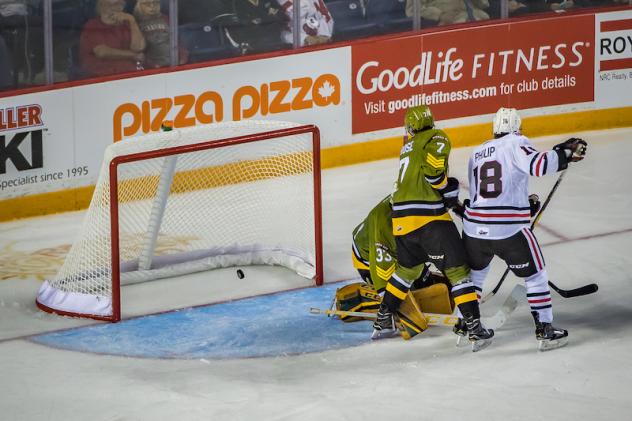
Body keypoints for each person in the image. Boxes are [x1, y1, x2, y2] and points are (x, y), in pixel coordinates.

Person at [461, 107, 587, 351]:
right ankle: (545, 328)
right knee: (536, 274)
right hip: (508, 231)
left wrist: (521, 205)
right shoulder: (516, 142)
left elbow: (484, 195)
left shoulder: (476, 153)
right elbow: (537, 166)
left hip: (474, 230)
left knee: (475, 276)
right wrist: (565, 154)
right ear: (517, 127)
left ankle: (465, 323)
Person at [372, 105, 494, 350]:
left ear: (411, 126)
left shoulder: (407, 147)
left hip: (401, 221)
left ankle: (383, 318)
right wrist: (448, 186)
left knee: (406, 272)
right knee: (459, 272)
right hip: (429, 219)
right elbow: (433, 173)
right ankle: (474, 327)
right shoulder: (437, 137)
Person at [346, 194, 454, 338]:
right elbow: (381, 273)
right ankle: (370, 302)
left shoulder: (410, 199)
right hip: (367, 258)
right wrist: (388, 308)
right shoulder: (382, 225)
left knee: (426, 283)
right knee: (400, 293)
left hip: (399, 246)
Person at [79, 0, 146, 77]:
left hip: (131, 73)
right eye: (108, 4)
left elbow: (139, 47)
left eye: (118, 4)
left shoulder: (127, 23)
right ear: (100, 7)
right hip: (101, 76)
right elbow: (102, 52)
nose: (114, 8)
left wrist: (132, 21)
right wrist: (133, 55)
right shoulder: (92, 25)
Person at [134, 0, 188, 68]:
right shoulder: (135, 22)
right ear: (139, 5)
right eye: (146, 4)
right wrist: (153, 65)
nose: (152, 6)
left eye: (155, 2)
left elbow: (177, 41)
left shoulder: (166, 18)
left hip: (174, 63)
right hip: (153, 67)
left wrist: (183, 58)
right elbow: (138, 51)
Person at [405, 0, 490, 26]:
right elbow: (412, 9)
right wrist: (439, 15)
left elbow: (483, 4)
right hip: (448, 20)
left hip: (474, 15)